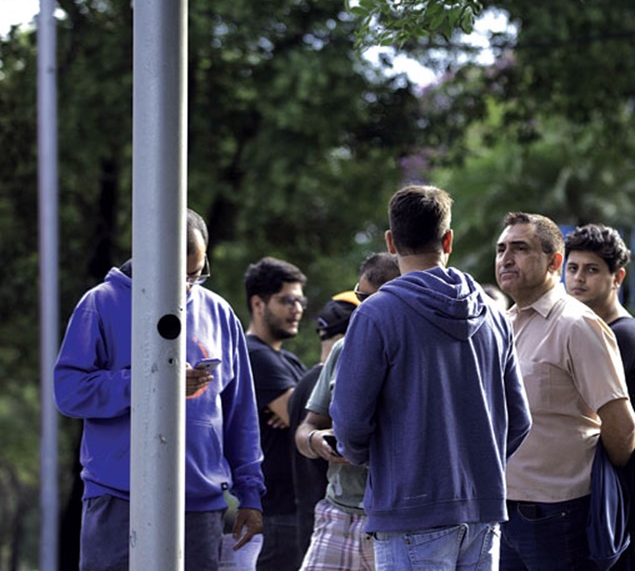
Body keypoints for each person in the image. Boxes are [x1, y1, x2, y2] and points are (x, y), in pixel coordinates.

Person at [330, 185, 532, 569]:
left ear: (391, 241)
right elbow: (519, 421)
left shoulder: (376, 314)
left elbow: (350, 422)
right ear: (448, 239)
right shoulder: (494, 316)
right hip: (483, 510)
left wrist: (382, 461)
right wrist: (474, 460)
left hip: (408, 508)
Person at [54, 209, 264, 571]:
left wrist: (251, 494)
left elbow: (240, 414)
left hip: (200, 505)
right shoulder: (100, 304)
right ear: (149, 256)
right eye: (176, 276)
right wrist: (152, 382)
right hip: (120, 501)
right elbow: (69, 391)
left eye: (195, 275)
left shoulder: (220, 313)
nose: (185, 287)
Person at [495, 212, 635, 570]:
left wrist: (594, 488)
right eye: (500, 249)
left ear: (553, 262)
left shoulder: (578, 325)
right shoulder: (502, 325)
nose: (505, 258)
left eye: (520, 248)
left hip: (560, 516)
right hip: (503, 510)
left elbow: (622, 428)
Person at [293, 253, 401, 570]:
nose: (363, 308)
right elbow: (306, 428)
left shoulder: (422, 350)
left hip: (397, 520)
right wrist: (316, 440)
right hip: (339, 512)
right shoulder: (344, 348)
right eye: (360, 297)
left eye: (372, 299)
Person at [244, 257, 310, 571]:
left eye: (300, 300)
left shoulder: (289, 361)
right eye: (287, 300)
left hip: (297, 510)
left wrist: (304, 413)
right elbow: (307, 416)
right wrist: (304, 414)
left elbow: (310, 414)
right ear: (259, 303)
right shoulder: (254, 355)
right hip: (279, 512)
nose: (297, 308)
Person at [565, 223, 635, 423]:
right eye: (572, 268)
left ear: (618, 277)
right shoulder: (585, 328)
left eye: (592, 270)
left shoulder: (623, 334)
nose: (578, 278)